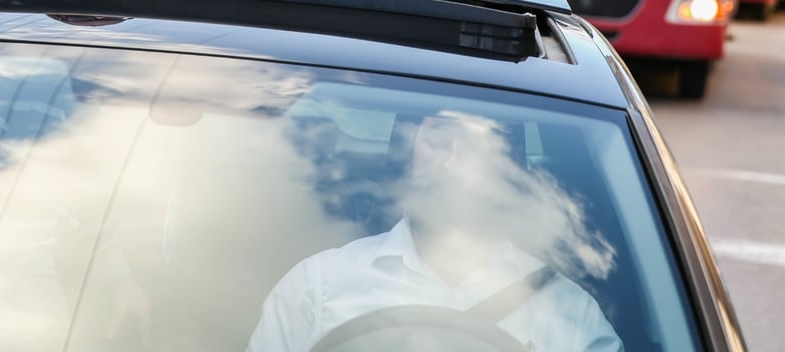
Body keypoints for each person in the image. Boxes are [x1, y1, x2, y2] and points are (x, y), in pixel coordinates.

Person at [246, 113, 622, 352]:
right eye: (439, 141)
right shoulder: (318, 286)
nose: (452, 160)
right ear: (406, 152)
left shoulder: (568, 314)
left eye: (475, 143)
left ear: (507, 165)